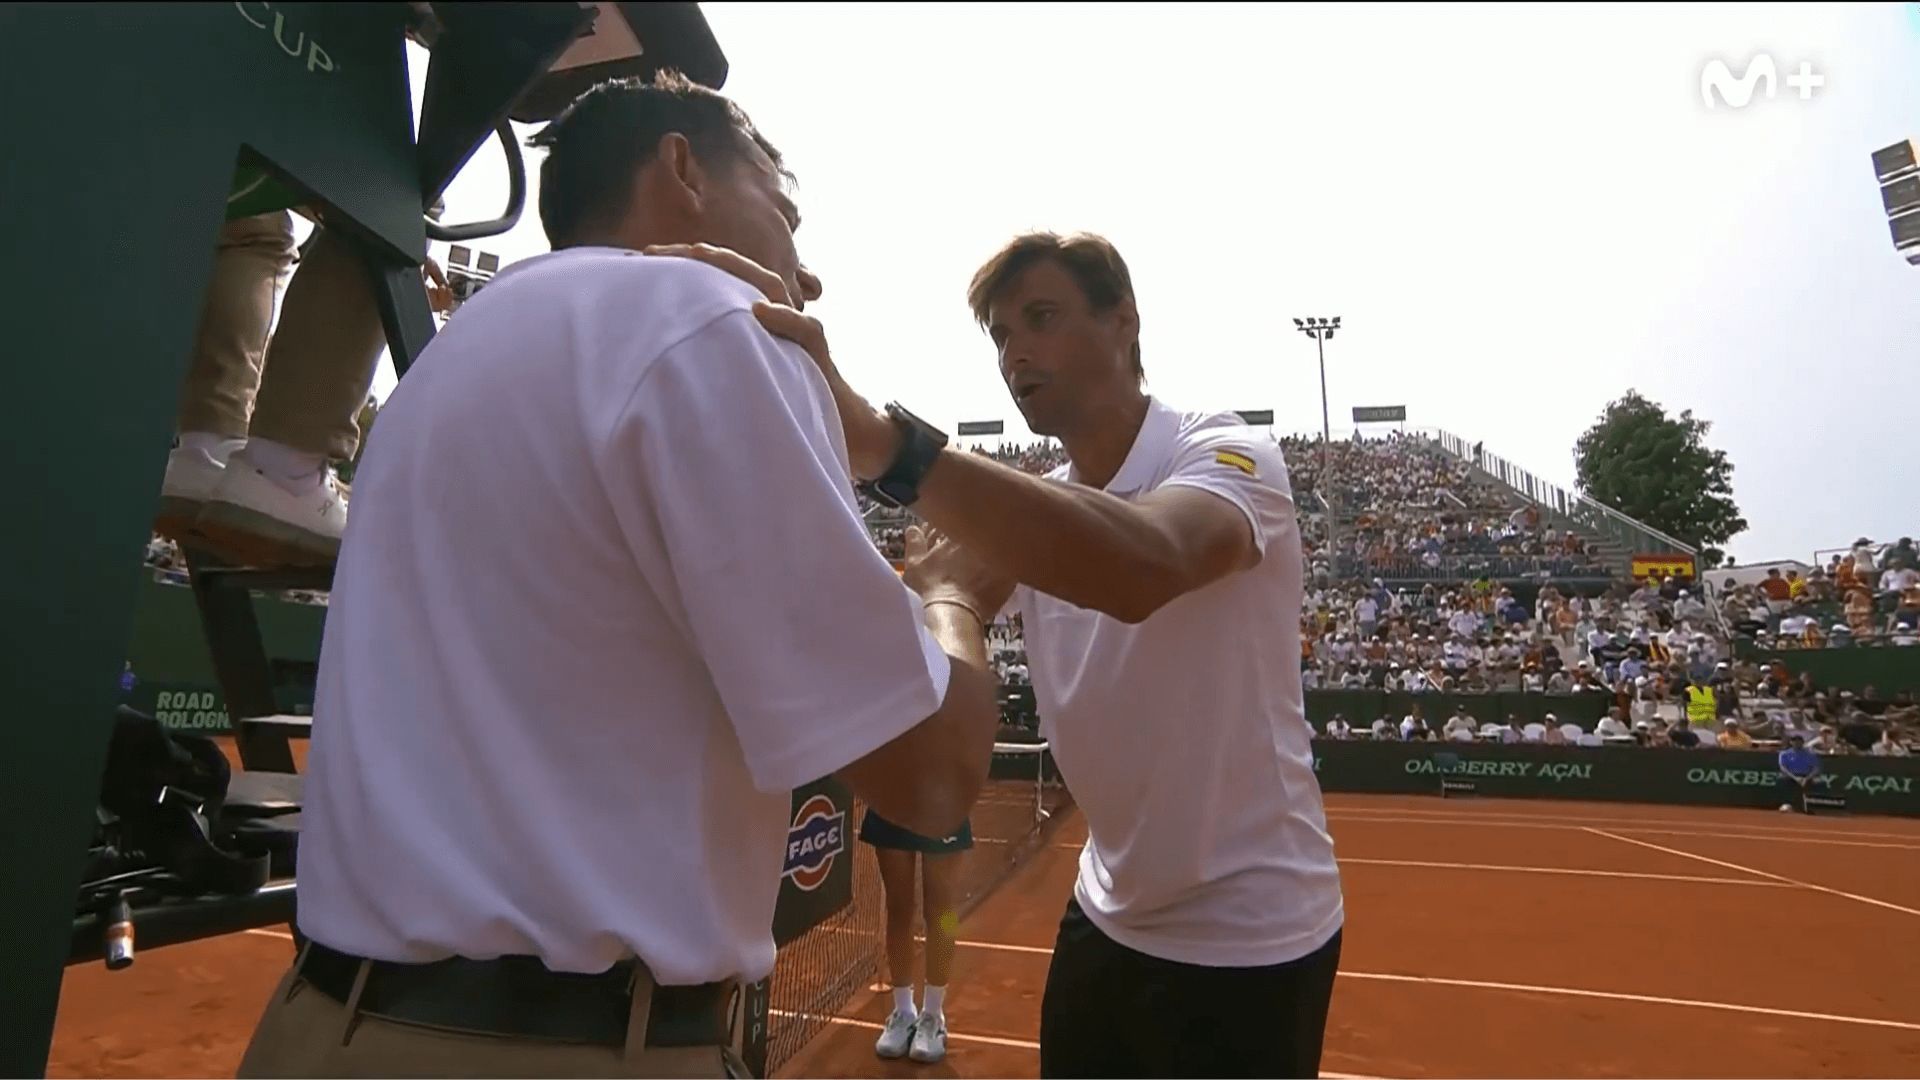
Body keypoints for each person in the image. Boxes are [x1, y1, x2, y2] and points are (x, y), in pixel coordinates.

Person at [236, 74, 1006, 1078]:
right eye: (785, 212)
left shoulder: (452, 353)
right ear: (682, 169)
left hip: (317, 1028)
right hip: (570, 1049)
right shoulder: (709, 315)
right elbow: (929, 779)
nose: (805, 275)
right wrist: (952, 595)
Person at [666, 230, 1344, 1078]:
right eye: (1000, 335)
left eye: (1042, 318)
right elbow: (930, 643)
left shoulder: (1223, 453)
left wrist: (889, 446)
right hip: (1109, 912)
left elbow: (1145, 563)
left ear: (1124, 321)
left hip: (1256, 930)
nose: (1015, 352)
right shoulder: (1033, 508)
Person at [863, 812, 969, 1063]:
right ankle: (903, 1011)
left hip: (942, 804)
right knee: (898, 908)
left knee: (942, 912)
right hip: (891, 804)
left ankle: (933, 1014)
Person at [1777, 734, 1821, 812]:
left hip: (1806, 776)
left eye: (1799, 741)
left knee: (1816, 781)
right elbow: (1783, 768)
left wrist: (1806, 778)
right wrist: (1795, 778)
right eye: (1794, 741)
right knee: (1782, 779)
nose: (1797, 743)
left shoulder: (1810, 754)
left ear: (1802, 742)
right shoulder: (1784, 754)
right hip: (1790, 776)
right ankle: (1787, 804)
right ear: (1791, 742)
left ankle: (1808, 806)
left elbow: (1816, 769)